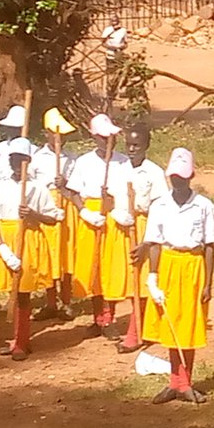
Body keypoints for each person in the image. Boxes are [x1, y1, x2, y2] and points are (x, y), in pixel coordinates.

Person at [141, 148, 214, 404]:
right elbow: (154, 242)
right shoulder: (160, 205)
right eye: (174, 176)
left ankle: (186, 381)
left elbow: (209, 246)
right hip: (169, 264)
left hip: (193, 265)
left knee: (189, 326)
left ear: (191, 176)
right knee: (171, 325)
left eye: (183, 177)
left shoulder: (203, 206)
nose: (178, 181)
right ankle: (175, 381)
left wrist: (207, 283)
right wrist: (153, 277)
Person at [0, 137, 63, 361]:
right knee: (10, 291)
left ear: (28, 161)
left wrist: (33, 215)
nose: (17, 164)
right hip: (7, 240)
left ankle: (22, 341)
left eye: (22, 159)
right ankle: (16, 337)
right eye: (14, 159)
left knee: (23, 293)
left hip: (28, 238)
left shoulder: (37, 188)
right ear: (9, 161)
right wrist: (3, 248)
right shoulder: (0, 186)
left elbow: (53, 218)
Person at [67, 113, 134, 341]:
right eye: (104, 138)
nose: (109, 142)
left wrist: (115, 206)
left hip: (114, 215)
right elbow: (74, 192)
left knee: (111, 267)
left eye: (112, 137)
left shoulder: (124, 161)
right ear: (94, 137)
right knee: (93, 268)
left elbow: (129, 191)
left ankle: (110, 317)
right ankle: (98, 316)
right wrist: (85, 212)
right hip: (91, 216)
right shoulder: (84, 162)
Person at [116, 124, 168, 354]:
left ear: (146, 146)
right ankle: (138, 325)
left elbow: (161, 207)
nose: (131, 149)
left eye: (136, 145)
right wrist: (119, 214)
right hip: (122, 226)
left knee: (143, 279)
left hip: (146, 227)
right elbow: (110, 199)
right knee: (127, 279)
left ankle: (136, 333)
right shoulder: (118, 168)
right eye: (128, 145)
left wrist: (148, 240)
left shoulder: (154, 173)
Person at [35, 107, 78, 321]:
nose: (60, 139)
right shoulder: (36, 158)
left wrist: (66, 184)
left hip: (67, 205)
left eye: (63, 136)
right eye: (55, 134)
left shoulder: (73, 159)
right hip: (46, 207)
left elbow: (79, 188)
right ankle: (51, 302)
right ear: (47, 134)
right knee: (49, 255)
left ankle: (67, 301)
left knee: (66, 254)